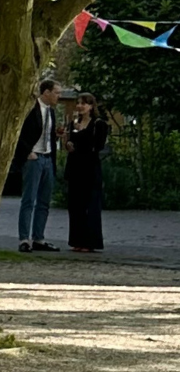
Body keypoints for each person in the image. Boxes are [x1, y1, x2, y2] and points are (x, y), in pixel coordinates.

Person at [13, 78, 60, 253]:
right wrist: (27, 152)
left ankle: (39, 238)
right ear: (46, 92)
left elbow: (46, 134)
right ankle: (24, 239)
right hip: (34, 158)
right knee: (29, 200)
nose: (58, 96)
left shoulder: (51, 112)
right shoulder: (31, 109)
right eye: (56, 92)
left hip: (47, 157)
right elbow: (19, 132)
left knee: (44, 201)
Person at [64, 92, 108, 253]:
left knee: (90, 206)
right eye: (78, 103)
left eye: (84, 103)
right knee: (75, 206)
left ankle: (90, 241)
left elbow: (97, 145)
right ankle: (77, 240)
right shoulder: (73, 123)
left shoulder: (98, 124)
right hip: (75, 168)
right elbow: (69, 142)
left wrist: (79, 137)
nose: (80, 106)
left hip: (89, 168)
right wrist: (68, 142)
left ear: (91, 106)